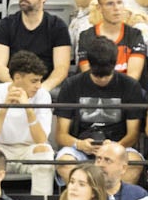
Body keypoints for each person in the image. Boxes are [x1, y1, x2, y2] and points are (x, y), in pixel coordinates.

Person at [54, 36, 147, 172]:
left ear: (115, 64)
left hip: (119, 145)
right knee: (65, 162)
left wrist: (113, 148)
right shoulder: (71, 85)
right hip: (80, 145)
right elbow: (60, 135)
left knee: (133, 163)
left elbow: (133, 134)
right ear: (89, 65)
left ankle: (116, 194)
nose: (102, 79)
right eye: (97, 76)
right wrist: (79, 144)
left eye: (106, 75)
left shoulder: (130, 86)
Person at [0, 49, 56, 198]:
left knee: (45, 151)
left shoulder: (43, 96)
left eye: (40, 80)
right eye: (34, 81)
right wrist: (4, 109)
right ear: (18, 78)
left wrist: (28, 109)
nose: (39, 85)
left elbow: (41, 140)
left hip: (28, 150)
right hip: (0, 150)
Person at [0, 0, 72, 94]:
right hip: (13, 82)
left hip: (44, 85)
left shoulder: (57, 26)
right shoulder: (6, 25)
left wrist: (42, 88)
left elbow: (61, 68)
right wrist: (18, 85)